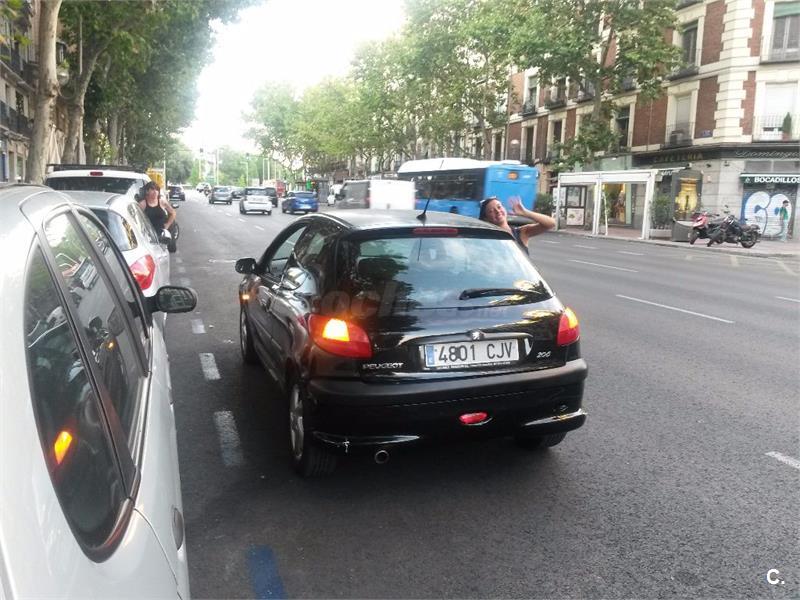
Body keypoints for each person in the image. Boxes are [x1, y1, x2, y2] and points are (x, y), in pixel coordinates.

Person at [478, 195, 555, 248]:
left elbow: (551, 223)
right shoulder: (487, 239)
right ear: (486, 219)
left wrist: (525, 212)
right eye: (491, 211)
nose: (497, 211)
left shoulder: (521, 233)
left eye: (499, 207)